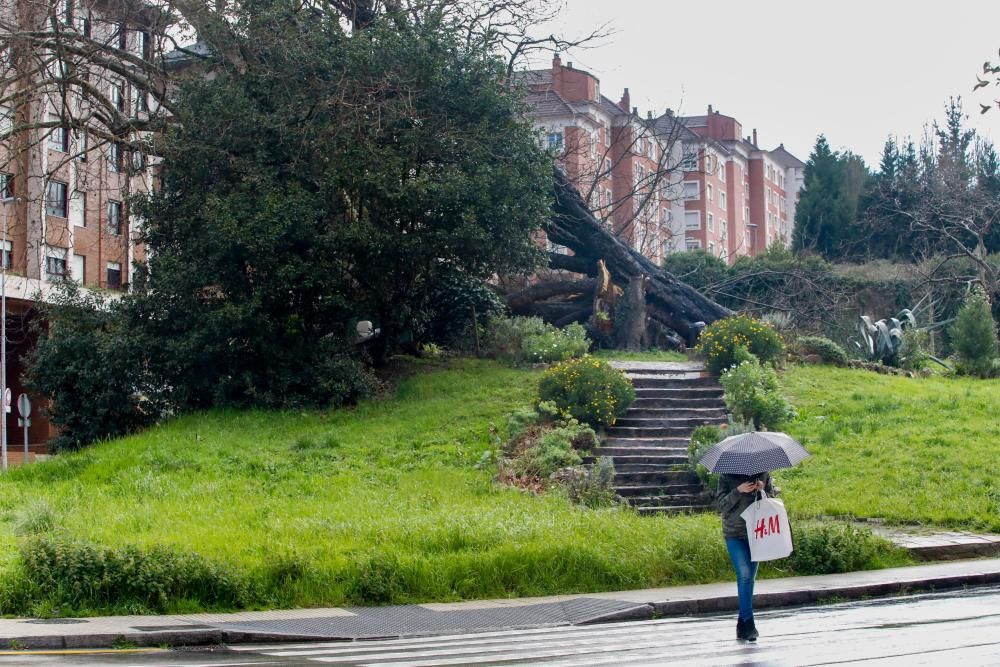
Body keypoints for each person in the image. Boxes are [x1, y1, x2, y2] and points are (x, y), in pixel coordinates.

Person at [717, 472, 773, 642]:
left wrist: (763, 491)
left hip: (757, 531)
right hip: (734, 532)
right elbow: (721, 505)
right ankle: (749, 623)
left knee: (750, 578)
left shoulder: (763, 473)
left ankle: (742, 624)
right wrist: (738, 490)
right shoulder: (726, 475)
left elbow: (772, 501)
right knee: (745, 575)